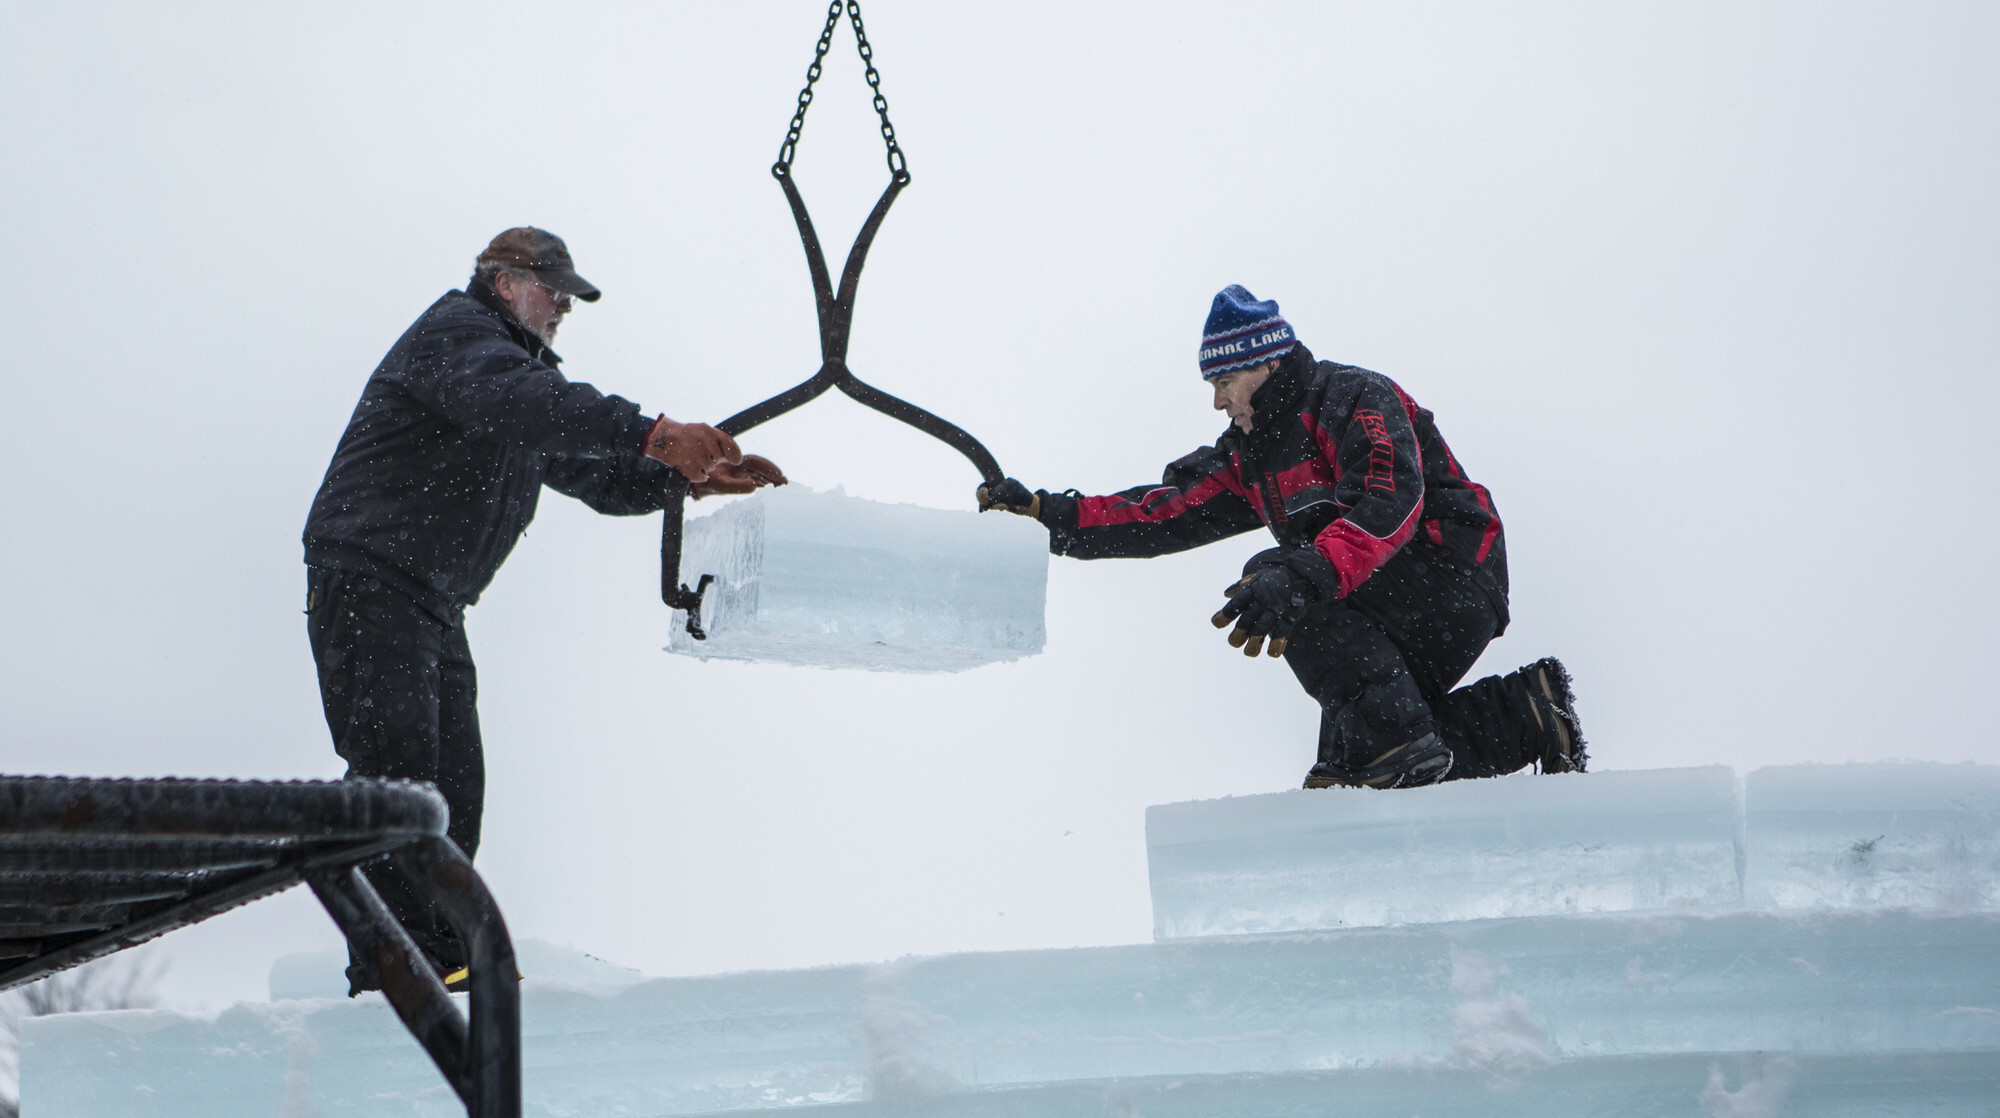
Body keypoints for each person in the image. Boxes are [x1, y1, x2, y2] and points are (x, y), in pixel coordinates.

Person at [302, 228, 785, 992]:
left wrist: (681, 482)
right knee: (398, 770)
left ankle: (435, 962)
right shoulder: (458, 342)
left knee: (454, 792)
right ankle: (397, 970)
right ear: (502, 284)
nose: (562, 306)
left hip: (430, 601)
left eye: (569, 297)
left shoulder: (514, 388)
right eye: (552, 289)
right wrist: (657, 435)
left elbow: (590, 472)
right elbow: (528, 403)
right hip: (371, 578)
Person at [978, 285, 1583, 790]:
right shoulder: (1248, 459)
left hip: (1450, 572)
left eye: (1225, 381)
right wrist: (1043, 515)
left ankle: (1394, 749)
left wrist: (1300, 576)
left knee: (1280, 582)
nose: (1217, 401)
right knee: (1356, 770)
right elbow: (1160, 512)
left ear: (1266, 362)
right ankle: (1529, 717)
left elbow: (1391, 501)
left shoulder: (1352, 396)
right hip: (1375, 600)